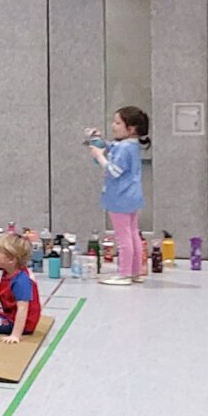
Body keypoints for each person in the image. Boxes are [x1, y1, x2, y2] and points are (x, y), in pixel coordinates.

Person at [88, 106, 151, 285]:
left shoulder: (125, 148)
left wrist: (99, 156)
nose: (113, 126)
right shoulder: (130, 145)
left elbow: (114, 171)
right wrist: (100, 140)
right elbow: (113, 147)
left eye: (117, 123)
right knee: (133, 234)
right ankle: (136, 271)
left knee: (123, 237)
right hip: (131, 196)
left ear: (131, 128)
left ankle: (124, 274)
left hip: (120, 197)